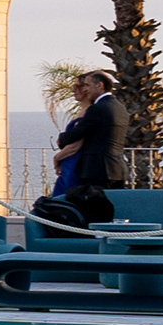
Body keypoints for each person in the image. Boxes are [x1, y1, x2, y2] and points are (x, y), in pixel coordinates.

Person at [39, 71, 125, 231]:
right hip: (115, 166)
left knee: (94, 211)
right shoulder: (118, 106)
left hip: (98, 168)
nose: (85, 89)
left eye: (87, 85)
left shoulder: (97, 108)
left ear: (100, 85)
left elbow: (76, 137)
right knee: (109, 210)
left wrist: (61, 140)